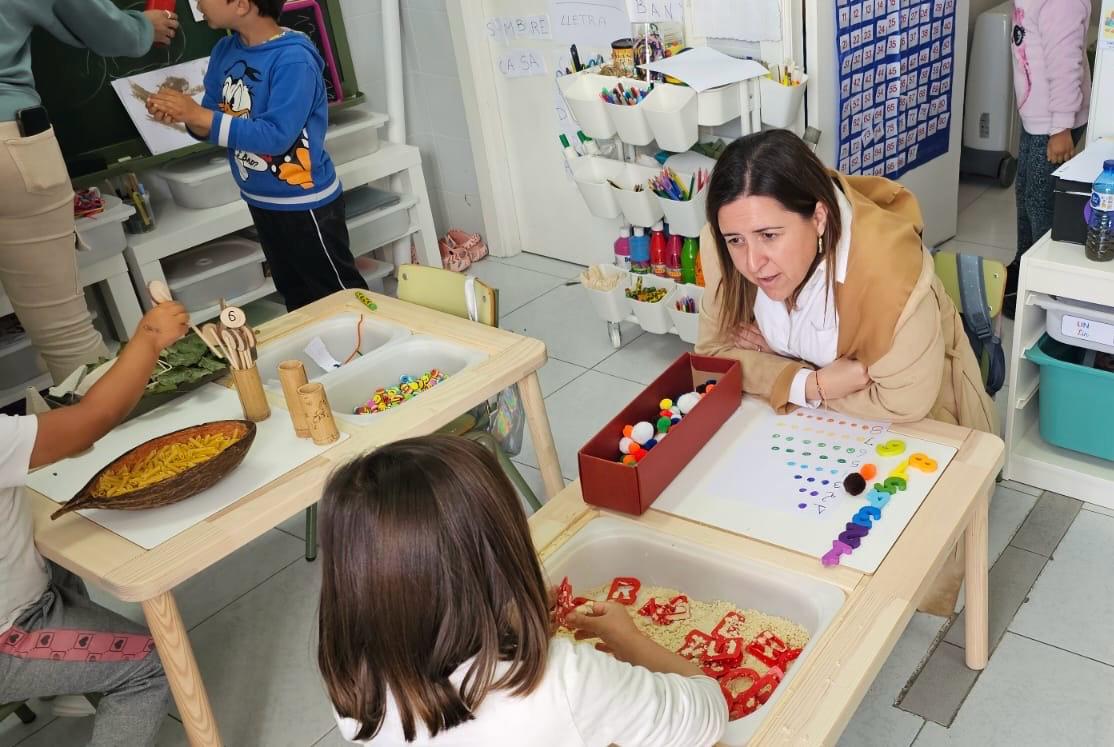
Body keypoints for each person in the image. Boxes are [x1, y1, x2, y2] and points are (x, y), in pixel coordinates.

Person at [695, 130, 996, 615]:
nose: (752, 262)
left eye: (770, 236)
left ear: (818, 217)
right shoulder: (724, 236)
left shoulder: (890, 273)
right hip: (812, 417)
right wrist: (813, 382)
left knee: (886, 574)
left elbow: (905, 402)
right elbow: (709, 358)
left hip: (917, 421)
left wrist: (768, 370)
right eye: (736, 241)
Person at [317, 436, 728, 746]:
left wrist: (506, 619)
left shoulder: (355, 682)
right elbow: (708, 714)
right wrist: (630, 640)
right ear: (501, 564)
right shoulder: (562, 679)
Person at [0, 301, 188, 745]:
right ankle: (79, 676)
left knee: (50, 542)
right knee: (153, 664)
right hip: (10, 637)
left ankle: (69, 686)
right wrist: (149, 338)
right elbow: (92, 420)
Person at [146, 0, 367, 312]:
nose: (196, 3)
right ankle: (323, 358)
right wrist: (187, 117)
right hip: (261, 200)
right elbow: (214, 121)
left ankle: (372, 351)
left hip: (306, 205)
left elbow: (276, 138)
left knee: (339, 294)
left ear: (240, 4)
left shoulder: (294, 59)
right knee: (296, 295)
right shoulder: (225, 50)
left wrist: (198, 115)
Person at [0, 1, 179, 383]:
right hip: (10, 145)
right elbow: (100, 26)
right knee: (67, 339)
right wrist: (143, 29)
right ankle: (113, 435)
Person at [1003, 0, 1092, 318]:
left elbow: (1065, 67)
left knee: (1040, 201)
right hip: (1038, 119)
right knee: (1025, 189)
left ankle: (1043, 285)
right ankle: (1023, 263)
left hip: (1056, 123)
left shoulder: (1060, 4)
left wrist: (1060, 128)